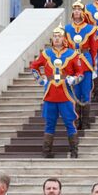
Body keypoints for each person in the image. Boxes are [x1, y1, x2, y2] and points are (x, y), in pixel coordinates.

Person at [28, 27, 89, 159]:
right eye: (54, 36)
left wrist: (74, 79)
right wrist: (40, 80)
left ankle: (74, 151)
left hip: (65, 93)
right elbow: (33, 66)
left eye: (59, 36)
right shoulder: (46, 53)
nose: (56, 38)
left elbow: (81, 73)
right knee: (49, 123)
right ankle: (46, 151)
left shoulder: (72, 54)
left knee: (69, 122)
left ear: (64, 39)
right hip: (50, 93)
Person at [64, 0, 97, 129]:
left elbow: (93, 49)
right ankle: (77, 120)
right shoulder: (66, 29)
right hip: (72, 61)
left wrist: (94, 66)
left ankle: (86, 120)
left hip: (86, 61)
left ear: (83, 12)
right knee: (75, 92)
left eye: (79, 9)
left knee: (85, 91)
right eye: (74, 9)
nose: (76, 11)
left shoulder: (90, 28)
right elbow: (65, 49)